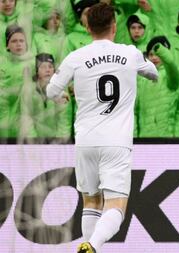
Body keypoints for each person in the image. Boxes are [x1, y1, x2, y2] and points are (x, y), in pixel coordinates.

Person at [45, 3, 158, 253]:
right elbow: (154, 74)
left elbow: (51, 90)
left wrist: (64, 95)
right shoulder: (129, 53)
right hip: (116, 142)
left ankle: (89, 247)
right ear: (114, 27)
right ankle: (92, 245)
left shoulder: (76, 57)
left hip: (85, 141)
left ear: (87, 27)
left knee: (91, 203)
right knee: (116, 207)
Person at [136, 36, 179, 137]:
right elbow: (135, 112)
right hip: (145, 139)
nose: (154, 58)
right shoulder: (142, 79)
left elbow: (171, 65)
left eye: (158, 55)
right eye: (151, 54)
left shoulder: (171, 76)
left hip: (167, 138)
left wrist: (163, 52)